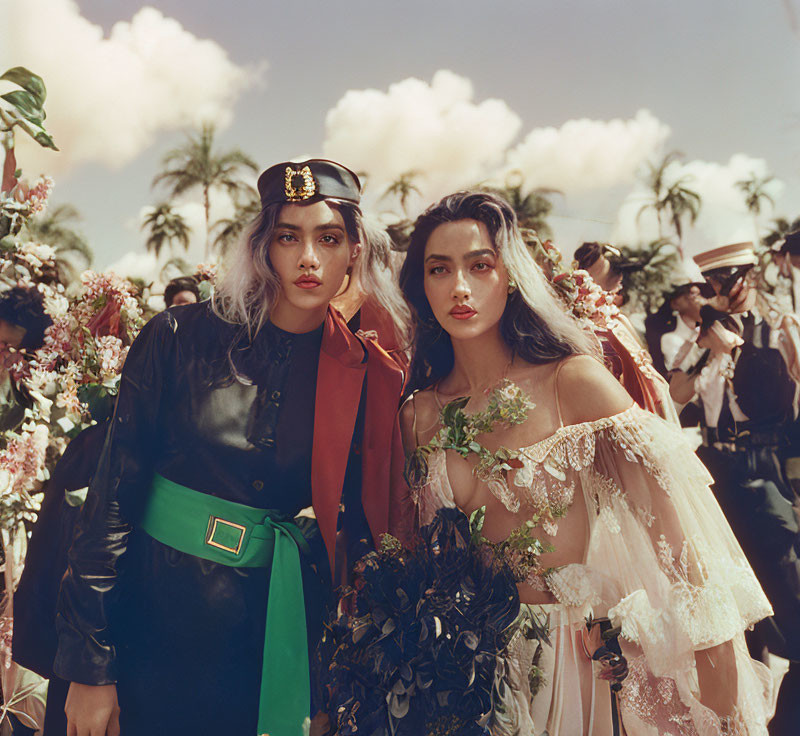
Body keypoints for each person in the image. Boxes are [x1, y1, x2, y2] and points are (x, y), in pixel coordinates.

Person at [53, 159, 407, 736]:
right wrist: (91, 665)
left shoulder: (364, 373)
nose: (308, 258)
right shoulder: (177, 338)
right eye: (289, 237)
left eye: (329, 238)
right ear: (264, 247)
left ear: (356, 252)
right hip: (153, 623)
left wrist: (328, 677)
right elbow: (111, 502)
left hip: (274, 635)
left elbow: (363, 529)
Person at [398, 193, 773, 735]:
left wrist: (715, 668)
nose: (460, 287)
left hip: (576, 668)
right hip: (466, 677)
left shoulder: (570, 383)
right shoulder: (418, 415)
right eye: (440, 269)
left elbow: (675, 530)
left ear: (511, 275)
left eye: (480, 265)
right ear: (422, 285)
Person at [670, 242, 800, 734]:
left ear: (747, 278)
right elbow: (673, 397)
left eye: (725, 283)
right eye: (711, 286)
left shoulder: (779, 329)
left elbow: (789, 400)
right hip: (715, 474)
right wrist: (706, 350)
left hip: (764, 469)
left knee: (787, 599)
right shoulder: (700, 338)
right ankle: (745, 718)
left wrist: (739, 351)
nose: (717, 294)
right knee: (733, 609)